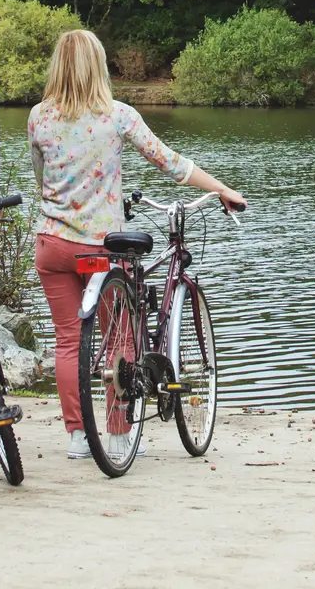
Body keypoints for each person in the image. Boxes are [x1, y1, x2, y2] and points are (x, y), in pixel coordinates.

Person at [28, 29, 246, 461]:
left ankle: (76, 438)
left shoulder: (38, 116)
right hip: (102, 249)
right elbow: (172, 164)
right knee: (120, 341)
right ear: (98, 66)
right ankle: (117, 436)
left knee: (69, 341)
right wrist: (222, 188)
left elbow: (40, 176)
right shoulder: (117, 115)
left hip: (52, 243)